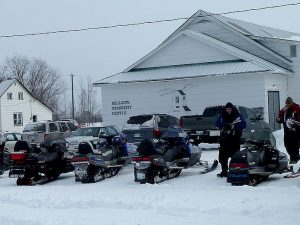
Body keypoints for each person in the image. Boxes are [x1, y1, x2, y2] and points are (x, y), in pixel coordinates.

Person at [215, 102, 247, 177]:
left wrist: (235, 127)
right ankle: (224, 171)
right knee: (223, 157)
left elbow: (244, 124)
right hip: (224, 139)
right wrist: (225, 125)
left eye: (230, 109)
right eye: (227, 109)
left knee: (235, 156)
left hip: (234, 139)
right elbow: (217, 124)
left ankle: (235, 170)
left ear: (232, 109)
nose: (229, 110)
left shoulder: (237, 116)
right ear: (225, 109)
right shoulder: (222, 116)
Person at [276, 97, 300, 163]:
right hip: (287, 131)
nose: (287, 105)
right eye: (286, 104)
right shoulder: (284, 110)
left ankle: (296, 160)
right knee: (287, 146)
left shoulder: (297, 108)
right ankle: (293, 158)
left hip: (295, 132)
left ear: (292, 103)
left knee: (295, 146)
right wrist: (278, 119)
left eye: (289, 103)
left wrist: (295, 124)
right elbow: (280, 118)